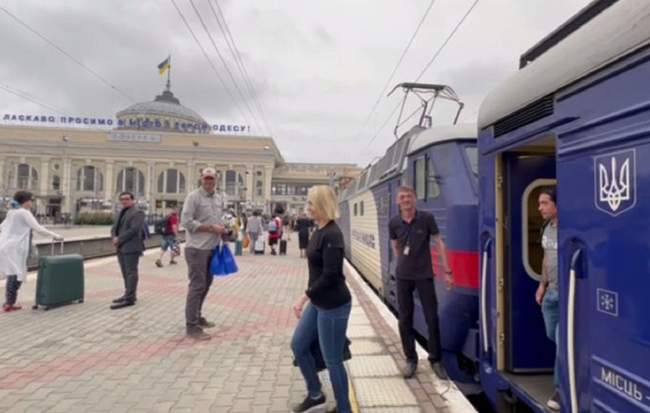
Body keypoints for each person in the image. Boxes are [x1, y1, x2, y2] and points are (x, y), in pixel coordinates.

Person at [291, 185, 352, 413]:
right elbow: (316, 273)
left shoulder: (333, 235)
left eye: (311, 204)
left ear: (323, 206)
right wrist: (310, 296)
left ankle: (345, 409)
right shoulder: (318, 230)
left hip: (334, 305)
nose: (308, 208)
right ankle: (316, 394)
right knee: (298, 345)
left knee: (333, 359)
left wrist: (303, 297)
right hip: (319, 302)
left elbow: (330, 275)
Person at [388, 186, 453, 380]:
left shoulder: (426, 219)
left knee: (431, 317)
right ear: (397, 201)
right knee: (405, 319)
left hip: (424, 275)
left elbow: (439, 242)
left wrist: (447, 271)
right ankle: (411, 360)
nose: (406, 200)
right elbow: (395, 247)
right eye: (402, 197)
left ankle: (436, 360)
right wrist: (404, 263)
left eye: (409, 196)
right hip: (403, 276)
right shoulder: (394, 223)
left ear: (415, 199)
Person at [181, 167, 233, 340]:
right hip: (196, 249)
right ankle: (192, 327)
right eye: (206, 179)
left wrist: (225, 231)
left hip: (212, 248)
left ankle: (197, 315)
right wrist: (211, 228)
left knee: (206, 284)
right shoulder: (193, 197)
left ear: (216, 180)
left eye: (212, 179)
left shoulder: (219, 198)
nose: (209, 182)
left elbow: (219, 220)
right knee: (197, 286)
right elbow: (186, 222)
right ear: (201, 179)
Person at [0, 191, 63, 312]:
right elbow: (38, 228)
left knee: (13, 274)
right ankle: (9, 303)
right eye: (31, 200)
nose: (32, 202)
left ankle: (9, 302)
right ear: (26, 201)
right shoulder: (24, 213)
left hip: (8, 247)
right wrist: (55, 235)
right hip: (17, 248)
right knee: (17, 275)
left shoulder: (11, 212)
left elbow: (2, 227)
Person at [534, 186, 560, 411]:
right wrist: (541, 285)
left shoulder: (568, 229)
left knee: (562, 341)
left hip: (566, 294)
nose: (540, 207)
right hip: (550, 292)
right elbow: (545, 258)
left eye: (544, 203)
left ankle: (561, 390)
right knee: (552, 334)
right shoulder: (547, 228)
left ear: (556, 205)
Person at [110, 192, 145, 310]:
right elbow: (114, 227)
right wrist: (114, 237)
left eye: (127, 199)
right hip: (121, 247)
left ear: (133, 200)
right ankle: (128, 294)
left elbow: (134, 230)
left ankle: (130, 298)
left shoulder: (137, 213)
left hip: (131, 247)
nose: (124, 201)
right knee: (125, 272)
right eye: (122, 199)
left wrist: (119, 239)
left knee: (131, 272)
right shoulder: (121, 212)